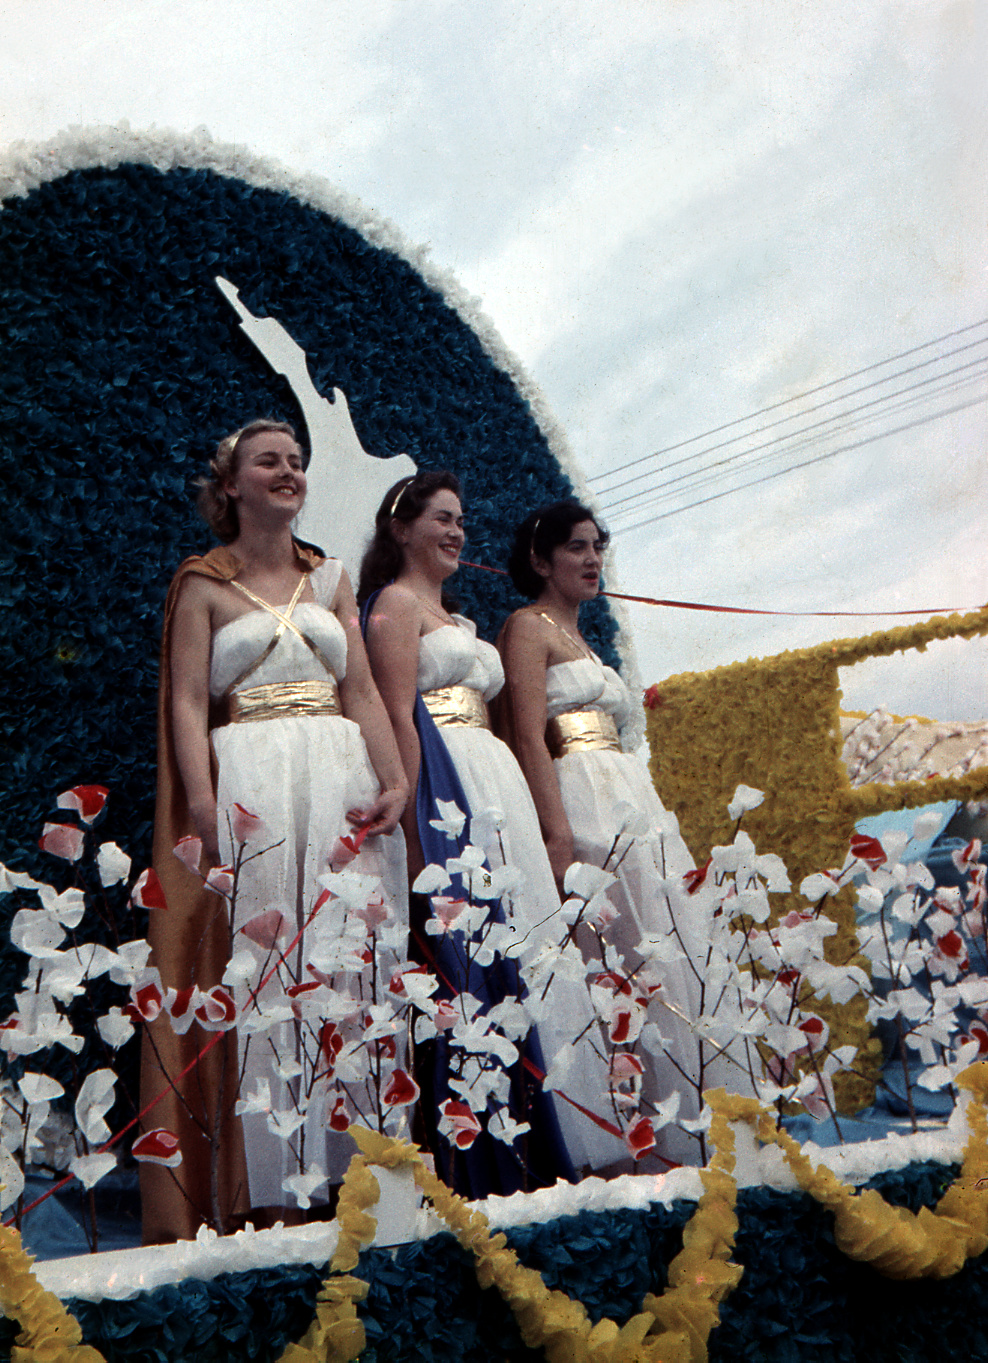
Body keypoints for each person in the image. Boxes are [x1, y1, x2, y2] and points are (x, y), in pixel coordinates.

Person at [142, 418, 408, 1243]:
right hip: (251, 772)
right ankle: (275, 1191)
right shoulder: (203, 584)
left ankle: (367, 1172)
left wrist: (394, 773)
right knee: (267, 967)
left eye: (296, 461)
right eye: (270, 461)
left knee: (351, 960)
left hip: (337, 773)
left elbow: (359, 687)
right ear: (232, 485)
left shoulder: (332, 579)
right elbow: (189, 700)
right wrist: (200, 803)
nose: (289, 472)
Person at [358, 472, 624, 1192]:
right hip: (448, 783)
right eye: (441, 519)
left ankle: (546, 1128)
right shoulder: (391, 605)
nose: (456, 532)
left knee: (527, 946)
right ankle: (475, 1149)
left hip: (495, 779)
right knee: (469, 955)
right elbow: (392, 714)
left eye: (461, 522)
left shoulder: (463, 621)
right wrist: (415, 820)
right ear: (401, 529)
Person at [496, 501, 706, 1158]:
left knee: (660, 948)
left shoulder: (585, 638)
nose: (591, 559)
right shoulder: (526, 628)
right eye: (576, 547)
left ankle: (681, 1126)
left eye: (597, 547)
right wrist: (554, 832)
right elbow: (527, 733)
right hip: (579, 798)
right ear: (540, 559)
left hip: (626, 793)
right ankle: (628, 1136)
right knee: (604, 958)